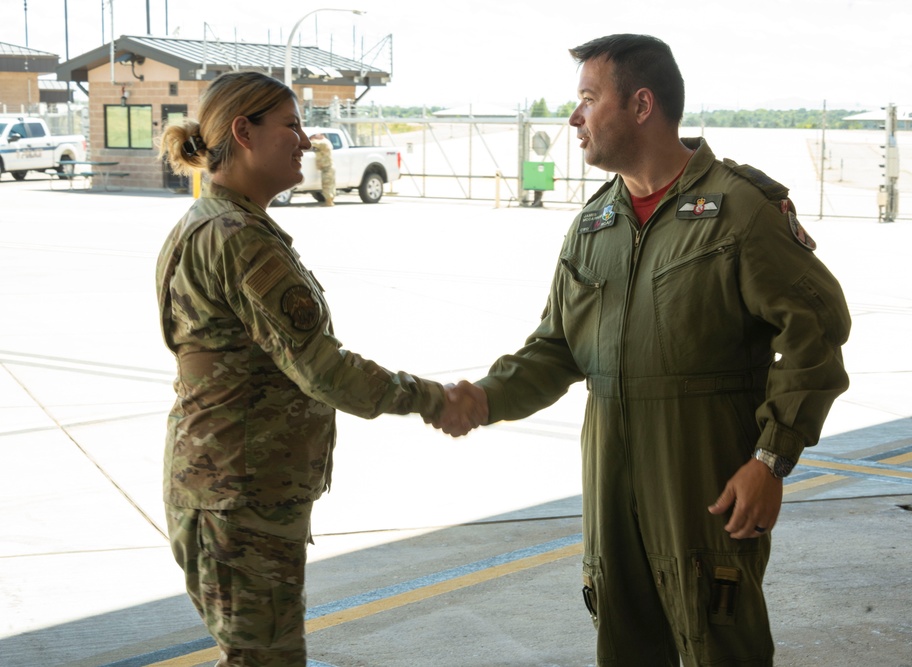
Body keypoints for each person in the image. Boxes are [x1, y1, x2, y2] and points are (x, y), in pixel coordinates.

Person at [437, 34, 851, 666]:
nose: (574, 118)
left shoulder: (739, 209)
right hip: (611, 481)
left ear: (641, 105)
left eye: (586, 99)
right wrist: (486, 397)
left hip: (704, 477)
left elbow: (815, 333)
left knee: (720, 642)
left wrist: (771, 458)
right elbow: (557, 348)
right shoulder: (594, 223)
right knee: (624, 644)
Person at [155, 71, 473, 667]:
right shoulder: (237, 237)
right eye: (292, 126)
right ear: (243, 133)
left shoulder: (208, 223)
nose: (306, 140)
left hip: (229, 488)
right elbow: (323, 369)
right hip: (241, 497)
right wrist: (435, 398)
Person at [311, 133, 336, 206]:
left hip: (327, 167)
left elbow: (313, 143)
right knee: (330, 185)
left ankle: (329, 202)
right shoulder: (323, 143)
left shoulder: (324, 142)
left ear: (322, 135)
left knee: (327, 185)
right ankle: (330, 201)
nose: (316, 137)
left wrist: (311, 139)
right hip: (327, 167)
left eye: (317, 135)